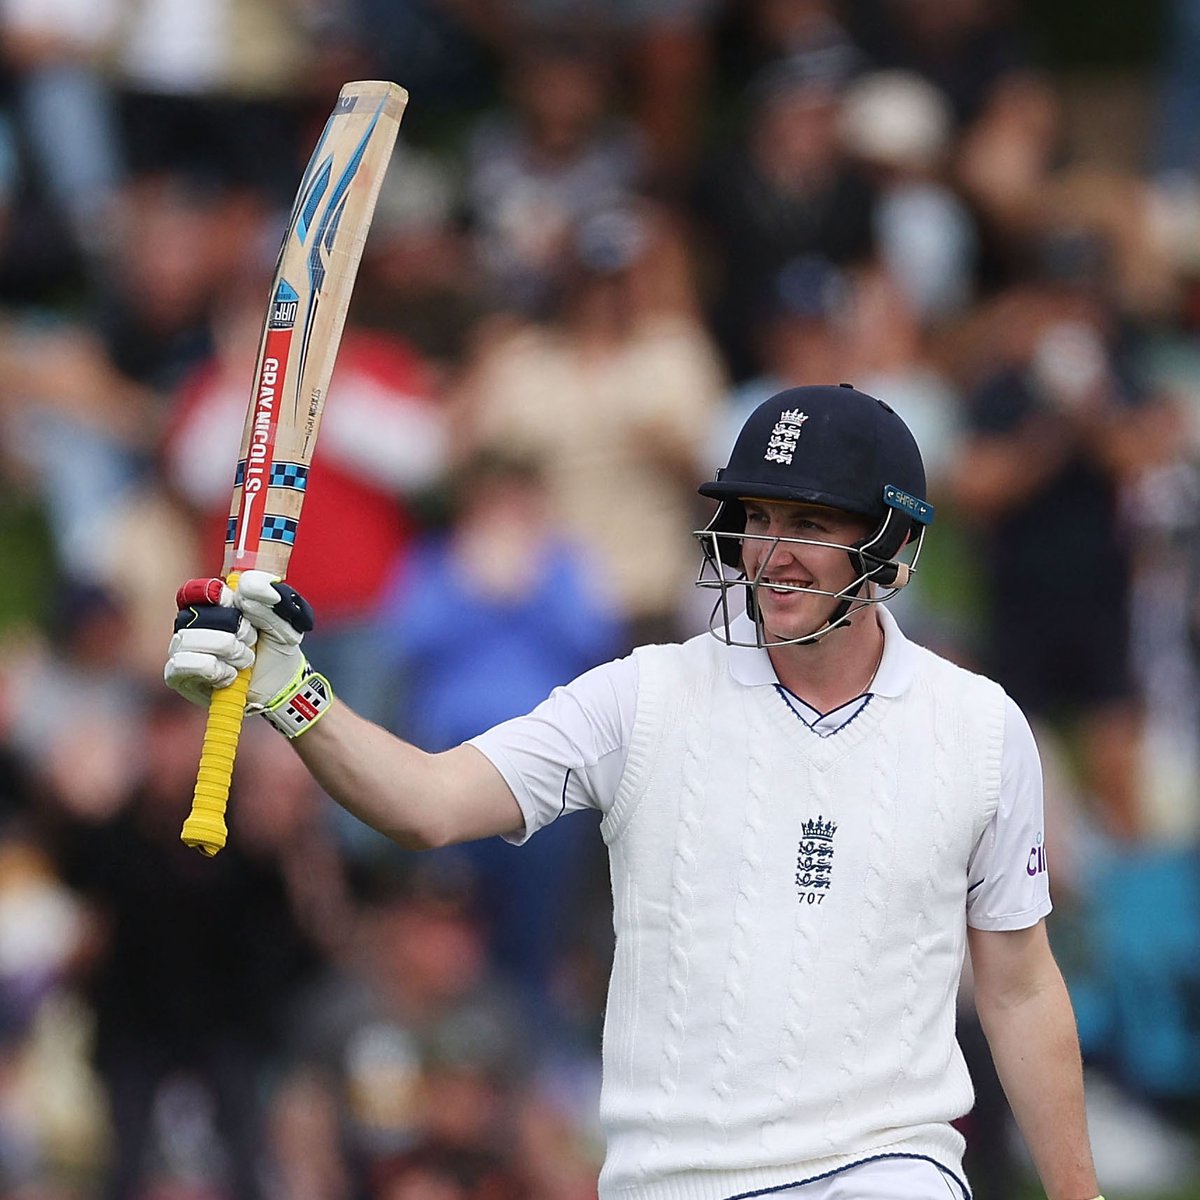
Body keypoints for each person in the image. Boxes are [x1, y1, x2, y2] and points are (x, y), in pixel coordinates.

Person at [164, 384, 1102, 1200]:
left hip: (889, 1170)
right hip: (677, 1176)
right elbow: (430, 804)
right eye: (758, 519)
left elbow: (1020, 987)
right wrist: (290, 689)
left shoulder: (980, 728)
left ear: (891, 544)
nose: (772, 552)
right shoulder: (643, 698)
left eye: (811, 525)